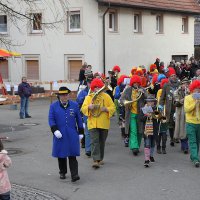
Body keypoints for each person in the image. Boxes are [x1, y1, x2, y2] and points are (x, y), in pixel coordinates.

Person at [48, 86, 84, 182]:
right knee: (61, 154)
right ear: (59, 96)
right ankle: (62, 172)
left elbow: (79, 119)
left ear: (68, 95)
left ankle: (74, 174)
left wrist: (81, 132)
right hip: (60, 133)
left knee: (72, 154)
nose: (64, 97)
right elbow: (51, 119)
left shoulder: (74, 105)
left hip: (72, 134)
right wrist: (55, 130)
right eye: (62, 95)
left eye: (66, 95)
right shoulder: (53, 106)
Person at [81, 78, 116, 168]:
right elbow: (83, 108)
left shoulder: (106, 96)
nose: (97, 89)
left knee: (102, 141)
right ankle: (95, 160)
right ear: (92, 88)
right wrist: (89, 107)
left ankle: (100, 158)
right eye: (95, 87)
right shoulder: (89, 97)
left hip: (104, 123)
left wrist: (106, 109)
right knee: (94, 141)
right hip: (92, 123)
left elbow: (113, 107)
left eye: (98, 87)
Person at [120, 75, 147, 156]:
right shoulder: (128, 90)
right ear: (132, 83)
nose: (136, 84)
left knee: (140, 131)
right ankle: (134, 147)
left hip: (140, 114)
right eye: (134, 83)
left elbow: (148, 99)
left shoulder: (142, 90)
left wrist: (143, 93)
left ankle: (137, 146)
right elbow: (122, 99)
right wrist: (125, 102)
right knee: (133, 131)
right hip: (131, 113)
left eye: (137, 83)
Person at [159, 67, 179, 146]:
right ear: (169, 77)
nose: (173, 77)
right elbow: (162, 97)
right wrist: (160, 105)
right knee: (170, 123)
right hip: (169, 108)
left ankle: (176, 136)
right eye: (172, 76)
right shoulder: (166, 85)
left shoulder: (179, 84)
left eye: (174, 75)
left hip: (178, 107)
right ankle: (172, 138)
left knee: (177, 123)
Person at [184, 80, 200, 168]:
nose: (197, 90)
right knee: (193, 141)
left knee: (197, 141)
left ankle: (193, 155)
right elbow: (186, 109)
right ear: (192, 89)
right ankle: (195, 159)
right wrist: (195, 103)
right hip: (190, 122)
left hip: (199, 122)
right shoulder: (188, 98)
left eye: (199, 89)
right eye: (196, 89)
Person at [174, 78, 190, 154]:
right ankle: (185, 146)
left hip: (189, 112)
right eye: (185, 84)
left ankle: (185, 146)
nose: (186, 85)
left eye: (187, 84)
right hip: (180, 113)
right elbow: (176, 103)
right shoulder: (177, 92)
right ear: (181, 84)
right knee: (181, 129)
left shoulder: (190, 91)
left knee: (187, 129)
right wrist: (183, 99)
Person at [141, 94, 157, 167]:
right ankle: (146, 159)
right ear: (146, 102)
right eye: (149, 102)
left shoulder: (156, 109)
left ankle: (151, 156)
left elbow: (159, 117)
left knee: (153, 144)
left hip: (154, 129)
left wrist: (153, 114)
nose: (150, 103)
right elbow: (140, 119)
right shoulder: (143, 109)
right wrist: (146, 115)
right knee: (147, 144)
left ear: (154, 102)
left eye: (152, 102)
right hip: (146, 130)